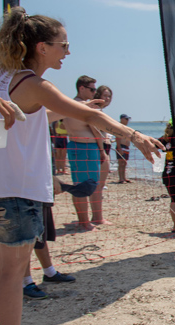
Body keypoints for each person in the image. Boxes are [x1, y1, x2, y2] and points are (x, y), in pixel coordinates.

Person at [0, 7, 163, 325]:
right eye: (63, 44)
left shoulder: (1, 76)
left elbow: (36, 114)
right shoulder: (34, 83)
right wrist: (134, 135)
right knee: (13, 270)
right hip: (15, 189)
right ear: (42, 47)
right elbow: (88, 117)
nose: (68, 52)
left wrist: (79, 107)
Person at [63, 75, 110, 230]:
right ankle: (85, 222)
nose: (93, 93)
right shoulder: (83, 106)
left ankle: (84, 220)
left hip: (76, 146)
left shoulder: (69, 104)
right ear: (81, 88)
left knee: (81, 185)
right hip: (86, 148)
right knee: (86, 186)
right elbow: (95, 130)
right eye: (91, 89)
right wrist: (102, 151)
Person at [93, 86, 114, 194]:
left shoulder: (100, 110)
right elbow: (96, 130)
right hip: (100, 146)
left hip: (104, 145)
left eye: (109, 96)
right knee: (99, 179)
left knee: (101, 178)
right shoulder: (95, 109)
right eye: (105, 96)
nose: (107, 99)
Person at [116, 114, 132, 183]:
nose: (127, 121)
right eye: (126, 119)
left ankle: (124, 177)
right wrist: (119, 148)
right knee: (121, 163)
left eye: (128, 119)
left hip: (126, 147)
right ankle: (121, 178)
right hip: (121, 146)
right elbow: (117, 138)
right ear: (122, 119)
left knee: (124, 163)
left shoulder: (126, 127)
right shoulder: (119, 127)